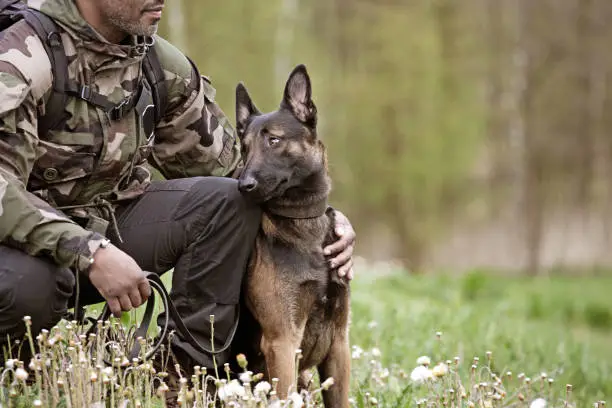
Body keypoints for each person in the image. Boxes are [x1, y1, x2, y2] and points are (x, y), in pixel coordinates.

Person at [0, 0, 356, 380]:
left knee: (228, 202)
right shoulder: (21, 55)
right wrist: (89, 251)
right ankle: (25, 371)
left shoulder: (157, 64)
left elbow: (244, 173)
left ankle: (185, 379)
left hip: (110, 226)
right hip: (25, 248)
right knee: (26, 286)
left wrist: (319, 217)